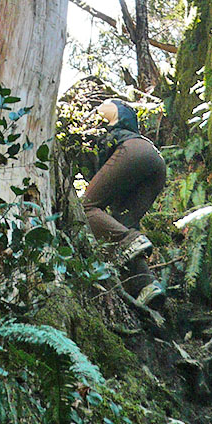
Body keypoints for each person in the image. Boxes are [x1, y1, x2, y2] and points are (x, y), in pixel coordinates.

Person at [82, 99, 167, 311]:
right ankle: (146, 286)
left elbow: (103, 111)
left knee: (86, 208)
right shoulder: (131, 123)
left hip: (133, 152)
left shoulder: (112, 110)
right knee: (117, 224)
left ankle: (131, 240)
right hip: (155, 161)